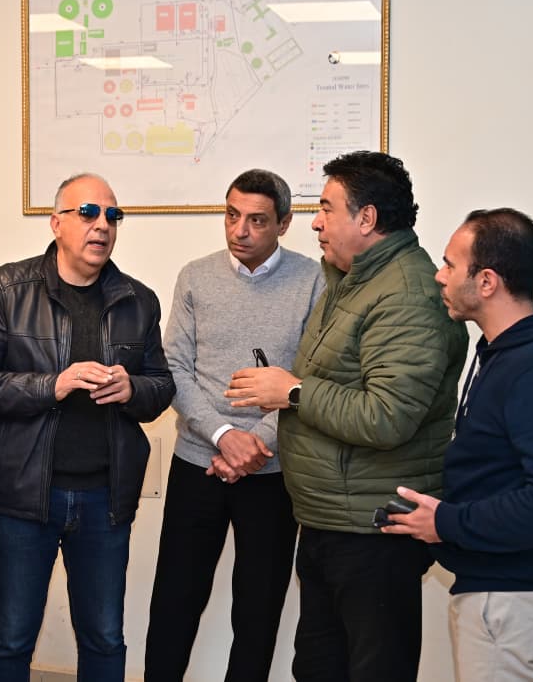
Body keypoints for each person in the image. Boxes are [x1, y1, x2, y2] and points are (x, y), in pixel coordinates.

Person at [224, 151, 468, 682]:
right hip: (333, 521)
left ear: (367, 218)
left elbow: (387, 416)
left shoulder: (405, 295)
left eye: (326, 208)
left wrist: (292, 392)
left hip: (373, 530)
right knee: (318, 666)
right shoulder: (353, 278)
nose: (315, 223)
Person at [0, 173, 175, 681]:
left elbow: (162, 386)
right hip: (22, 498)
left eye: (113, 216)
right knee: (10, 639)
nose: (103, 225)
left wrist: (133, 389)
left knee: (105, 638)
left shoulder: (138, 300)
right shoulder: (7, 289)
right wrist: (52, 385)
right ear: (56, 223)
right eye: (88, 213)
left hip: (105, 499)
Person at [383, 208, 533, 681]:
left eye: (449, 265)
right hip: (502, 590)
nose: (439, 276)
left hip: (516, 597)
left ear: (486, 281)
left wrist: (447, 522)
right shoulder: (504, 352)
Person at [145, 169, 324, 682]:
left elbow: (312, 378)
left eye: (257, 220)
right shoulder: (195, 277)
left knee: (258, 609)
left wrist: (255, 444)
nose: (239, 230)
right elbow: (174, 369)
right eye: (231, 215)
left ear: (284, 224)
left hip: (272, 472)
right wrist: (224, 437)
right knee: (175, 600)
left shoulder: (314, 281)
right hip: (197, 464)